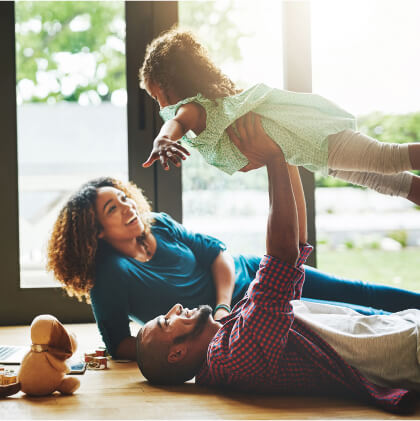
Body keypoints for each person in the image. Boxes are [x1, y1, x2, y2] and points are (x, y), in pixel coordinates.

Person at [47, 116, 420, 362]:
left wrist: (222, 307)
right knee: (355, 319)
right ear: (95, 231)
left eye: (124, 197)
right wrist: (193, 347)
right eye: (113, 209)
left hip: (255, 275)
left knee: (357, 292)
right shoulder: (110, 274)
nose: (128, 206)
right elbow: (120, 345)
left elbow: (217, 254)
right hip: (248, 319)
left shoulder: (157, 223)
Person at [136, 118, 419, 414]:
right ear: (177, 353)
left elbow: (295, 249)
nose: (176, 308)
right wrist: (273, 158)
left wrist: (286, 154)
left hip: (404, 330)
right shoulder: (231, 355)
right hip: (407, 352)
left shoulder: (232, 330)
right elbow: (281, 258)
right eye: (167, 322)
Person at [139, 28, 420, 206]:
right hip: (313, 153)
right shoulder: (216, 108)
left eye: (156, 96)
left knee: (388, 159)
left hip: (316, 139)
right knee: (391, 183)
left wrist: (162, 141)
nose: (160, 106)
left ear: (169, 84)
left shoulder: (194, 109)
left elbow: (175, 123)